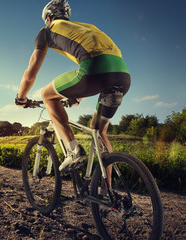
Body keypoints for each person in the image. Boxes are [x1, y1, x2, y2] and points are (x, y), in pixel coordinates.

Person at [15, 0, 131, 175]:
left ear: (48, 18)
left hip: (93, 70)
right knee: (98, 131)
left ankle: (73, 150)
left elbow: (30, 73)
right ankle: (109, 193)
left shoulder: (46, 31)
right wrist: (77, 96)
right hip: (122, 74)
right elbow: (94, 54)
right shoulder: (87, 27)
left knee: (47, 95)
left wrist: (21, 97)